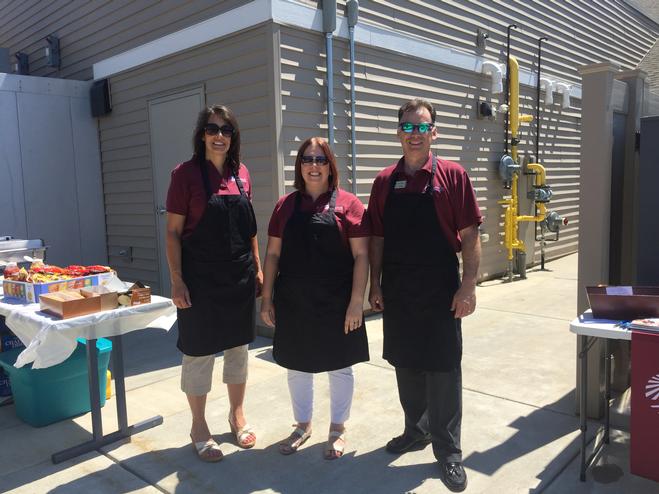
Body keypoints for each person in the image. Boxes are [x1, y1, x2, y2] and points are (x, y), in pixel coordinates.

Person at [367, 99, 482, 492]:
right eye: (408, 127)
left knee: (444, 369)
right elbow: (378, 238)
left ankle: (448, 452)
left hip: (440, 288)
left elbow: (469, 235)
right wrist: (375, 283)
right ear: (399, 132)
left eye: (422, 127)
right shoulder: (384, 181)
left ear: (434, 133)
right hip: (398, 288)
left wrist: (468, 286)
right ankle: (416, 431)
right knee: (406, 364)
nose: (415, 135)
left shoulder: (452, 175)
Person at [260, 137, 370, 460]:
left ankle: (337, 428)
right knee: (297, 366)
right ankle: (302, 425)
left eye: (321, 160)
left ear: (330, 165)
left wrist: (356, 302)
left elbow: (362, 256)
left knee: (339, 367)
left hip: (338, 302)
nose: (313, 165)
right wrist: (266, 298)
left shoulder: (349, 204)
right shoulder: (285, 206)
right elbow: (273, 253)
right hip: (294, 300)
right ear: (299, 166)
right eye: (307, 159)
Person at [165, 105, 263, 462]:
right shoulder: (185, 175)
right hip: (200, 281)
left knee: (238, 351)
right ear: (202, 134)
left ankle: (237, 416)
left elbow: (249, 228)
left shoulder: (243, 175)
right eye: (212, 129)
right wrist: (177, 280)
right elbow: (173, 233)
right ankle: (198, 426)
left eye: (226, 130)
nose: (219, 135)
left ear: (233, 137)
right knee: (199, 354)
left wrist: (257, 265)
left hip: (238, 278)